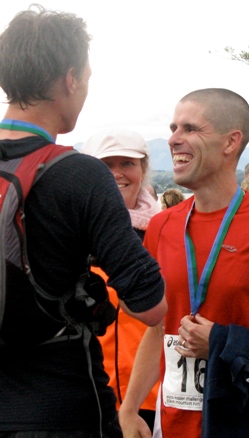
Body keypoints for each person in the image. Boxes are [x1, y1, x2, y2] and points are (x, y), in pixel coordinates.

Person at [118, 88, 249, 438]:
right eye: (173, 128)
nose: (173, 139)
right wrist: (128, 408)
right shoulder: (163, 225)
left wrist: (221, 341)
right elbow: (159, 329)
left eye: (190, 129)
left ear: (231, 142)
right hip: (172, 423)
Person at [0, 5, 166, 438]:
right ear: (70, 78)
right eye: (87, 79)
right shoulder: (78, 173)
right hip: (60, 405)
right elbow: (148, 305)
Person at [81, 128, 161, 431]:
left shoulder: (166, 232)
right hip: (87, 396)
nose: (117, 173)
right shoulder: (70, 234)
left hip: (151, 398)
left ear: (143, 170)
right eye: (105, 165)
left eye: (127, 163)